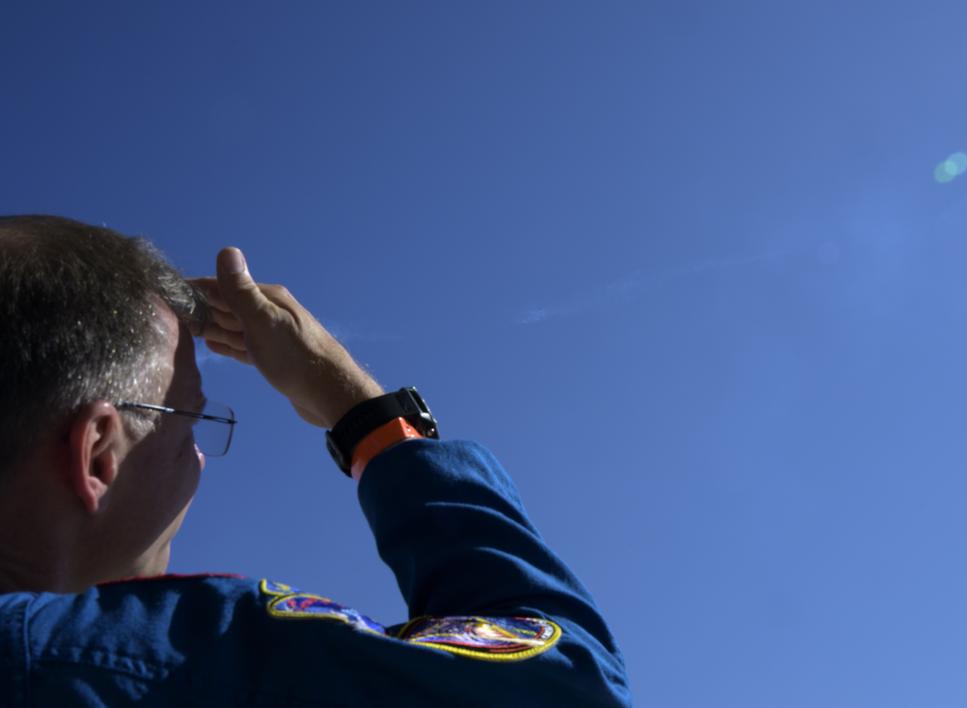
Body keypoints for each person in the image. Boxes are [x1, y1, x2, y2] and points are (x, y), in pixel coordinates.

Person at [0, 215, 631, 706]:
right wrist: (362, 412)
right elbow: (568, 687)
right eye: (190, 419)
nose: (197, 456)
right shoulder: (139, 661)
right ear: (100, 455)